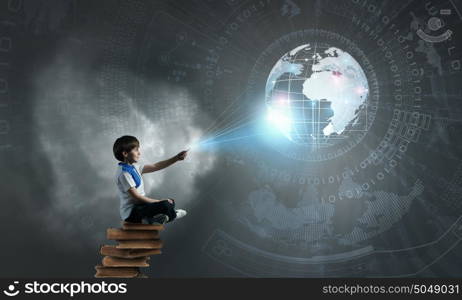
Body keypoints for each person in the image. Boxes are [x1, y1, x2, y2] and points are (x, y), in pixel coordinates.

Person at [113, 135, 188, 225]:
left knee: (170, 201)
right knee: (166, 204)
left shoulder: (134, 167)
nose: (139, 153)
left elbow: (156, 166)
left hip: (142, 206)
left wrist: (176, 158)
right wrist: (159, 202)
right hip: (132, 213)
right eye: (136, 150)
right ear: (125, 153)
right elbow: (138, 198)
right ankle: (172, 215)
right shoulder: (124, 174)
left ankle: (161, 218)